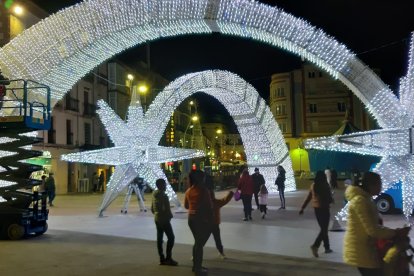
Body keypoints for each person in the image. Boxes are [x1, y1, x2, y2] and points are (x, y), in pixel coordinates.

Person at [343, 171, 410, 276]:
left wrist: (394, 232)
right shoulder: (360, 201)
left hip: (366, 249)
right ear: (371, 185)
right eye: (379, 183)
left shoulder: (366, 199)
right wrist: (396, 233)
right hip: (361, 251)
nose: (381, 186)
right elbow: (373, 230)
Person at [184, 170, 213, 275]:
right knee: (199, 244)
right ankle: (198, 268)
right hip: (201, 219)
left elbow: (186, 206)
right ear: (201, 178)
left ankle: (196, 266)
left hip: (191, 219)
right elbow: (209, 207)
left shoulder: (189, 191)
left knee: (197, 242)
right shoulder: (204, 191)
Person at [299, 170, 333, 257]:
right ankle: (315, 245)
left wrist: (302, 208)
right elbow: (329, 198)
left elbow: (308, 197)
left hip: (316, 209)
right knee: (324, 229)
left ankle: (327, 247)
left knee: (323, 228)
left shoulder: (313, 185)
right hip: (324, 208)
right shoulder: (325, 185)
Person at [151, 178, 178, 266]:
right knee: (171, 238)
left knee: (159, 239)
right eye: (165, 184)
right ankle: (168, 258)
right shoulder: (163, 196)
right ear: (161, 185)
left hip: (157, 219)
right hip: (164, 220)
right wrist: (169, 216)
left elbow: (152, 209)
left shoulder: (154, 195)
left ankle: (162, 258)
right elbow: (165, 209)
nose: (166, 186)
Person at [208, 187, 233, 259]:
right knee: (217, 239)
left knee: (201, 240)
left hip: (206, 224)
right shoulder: (216, 202)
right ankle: (221, 252)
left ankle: (195, 254)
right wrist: (230, 194)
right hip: (215, 224)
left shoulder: (204, 203)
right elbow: (225, 200)